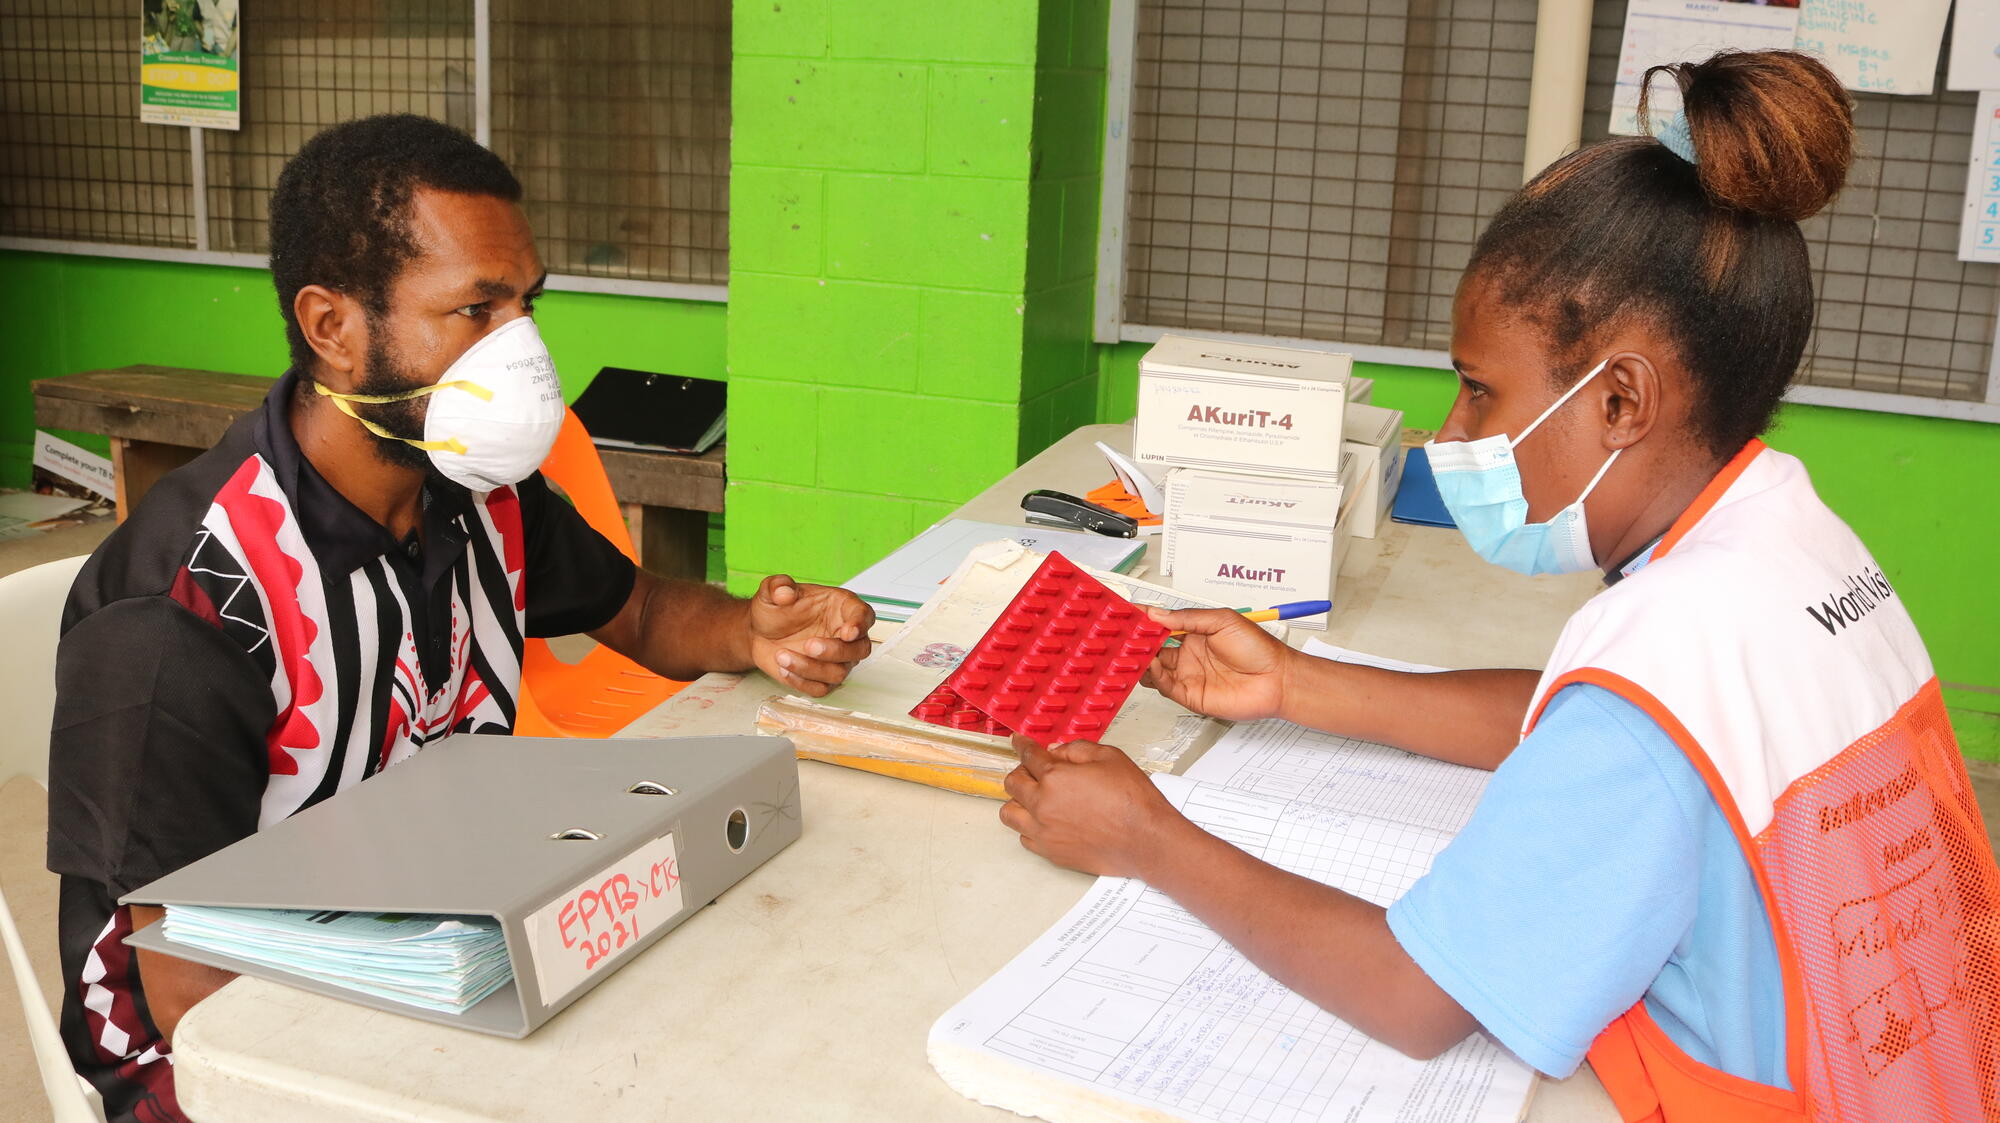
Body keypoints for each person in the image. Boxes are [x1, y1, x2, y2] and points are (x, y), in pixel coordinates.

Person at [999, 51, 2000, 1121]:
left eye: (1479, 391)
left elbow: (1415, 993)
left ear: (1620, 400)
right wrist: (1294, 686)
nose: (1450, 435)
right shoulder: (1784, 534)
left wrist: (1146, 835)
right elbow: (1579, 720)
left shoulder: (1659, 670)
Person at [45, 114, 875, 1123]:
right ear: (333, 328)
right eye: (475, 309)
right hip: (220, 1053)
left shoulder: (475, 496)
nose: (521, 351)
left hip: (435, 944)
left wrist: (753, 630)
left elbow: (643, 607)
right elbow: (182, 981)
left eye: (525, 305)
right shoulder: (185, 612)